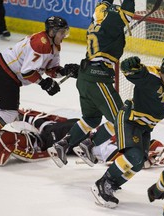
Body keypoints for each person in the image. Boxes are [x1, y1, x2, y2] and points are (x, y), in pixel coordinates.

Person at [88, 35, 164, 208]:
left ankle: (113, 184)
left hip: (145, 127)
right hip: (130, 120)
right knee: (134, 156)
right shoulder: (150, 76)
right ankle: (103, 183)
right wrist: (129, 66)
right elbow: (132, 71)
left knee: (139, 163)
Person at [0, 16, 80, 162]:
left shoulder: (54, 45)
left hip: (9, 75)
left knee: (7, 112)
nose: (64, 35)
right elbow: (27, 71)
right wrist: (44, 83)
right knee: (7, 113)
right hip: (4, 72)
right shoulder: (41, 43)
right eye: (62, 32)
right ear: (52, 32)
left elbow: (51, 69)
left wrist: (64, 72)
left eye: (65, 32)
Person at [47, 0, 135, 168]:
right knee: (120, 119)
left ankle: (62, 145)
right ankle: (90, 145)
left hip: (85, 77)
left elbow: (104, 4)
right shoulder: (112, 20)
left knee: (91, 118)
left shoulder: (96, 20)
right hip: (98, 78)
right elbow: (128, 12)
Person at [0, 109, 164, 167]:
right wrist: (146, 159)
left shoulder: (123, 133)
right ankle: (11, 139)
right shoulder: (119, 144)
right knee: (44, 138)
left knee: (46, 127)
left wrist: (24, 114)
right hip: (70, 135)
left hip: (73, 129)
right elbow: (114, 157)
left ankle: (20, 126)